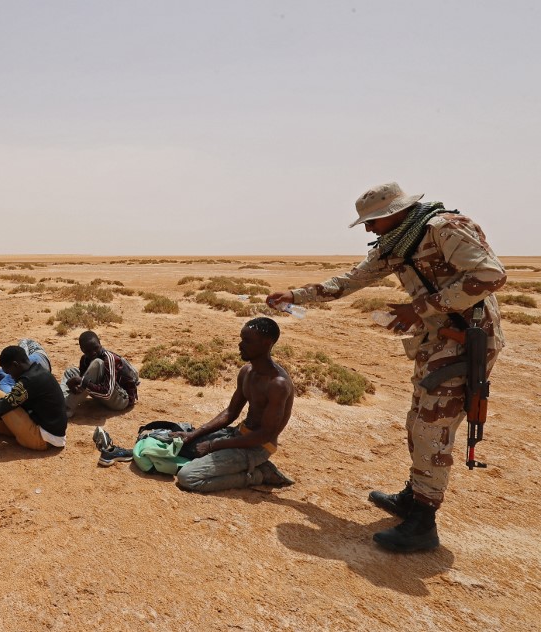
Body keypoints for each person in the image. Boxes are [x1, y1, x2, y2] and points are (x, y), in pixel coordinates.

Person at [266, 182, 506, 553]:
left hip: (467, 340)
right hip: (437, 340)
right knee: (418, 420)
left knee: (432, 427)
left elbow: (491, 276)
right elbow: (349, 281)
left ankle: (423, 522)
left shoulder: (444, 228)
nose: (368, 229)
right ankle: (414, 496)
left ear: (396, 212)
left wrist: (420, 309)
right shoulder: (395, 245)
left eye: (373, 221)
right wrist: (296, 296)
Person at [168, 318, 295, 492]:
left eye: (247, 341)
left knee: (187, 477)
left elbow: (265, 435)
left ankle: (259, 475)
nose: (240, 345)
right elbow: (230, 413)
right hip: (239, 434)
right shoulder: (247, 372)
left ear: (266, 343)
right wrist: (193, 434)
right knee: (181, 448)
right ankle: (242, 466)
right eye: (242, 339)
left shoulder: (277, 385)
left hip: (257, 447)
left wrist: (213, 445)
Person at [0, 345, 67, 451]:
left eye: (9, 372)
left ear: (15, 365)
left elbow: (3, 406)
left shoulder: (29, 381)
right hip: (45, 430)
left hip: (42, 438)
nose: (11, 376)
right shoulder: (37, 371)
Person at [61, 331, 139, 417]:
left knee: (97, 363)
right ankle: (59, 401)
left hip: (121, 400)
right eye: (88, 351)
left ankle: (67, 407)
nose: (93, 352)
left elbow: (107, 394)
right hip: (101, 393)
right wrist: (74, 385)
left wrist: (83, 382)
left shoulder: (109, 359)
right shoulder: (84, 359)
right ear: (82, 350)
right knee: (70, 372)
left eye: (96, 348)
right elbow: (84, 384)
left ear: (100, 344)